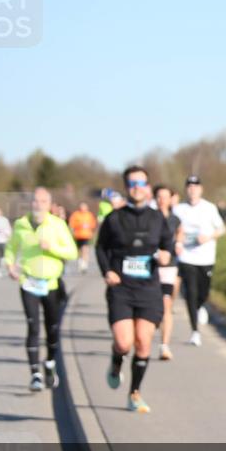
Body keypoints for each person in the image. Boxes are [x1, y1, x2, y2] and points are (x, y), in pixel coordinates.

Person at [95, 166, 173, 413]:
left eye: (141, 183)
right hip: (122, 289)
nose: (137, 187)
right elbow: (100, 248)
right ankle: (116, 361)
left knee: (143, 342)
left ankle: (135, 393)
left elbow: (167, 247)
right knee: (124, 341)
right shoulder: (114, 218)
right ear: (127, 187)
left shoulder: (157, 218)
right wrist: (107, 271)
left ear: (147, 187)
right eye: (132, 183)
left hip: (149, 289)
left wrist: (164, 256)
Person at [5, 187, 78, 391]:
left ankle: (50, 363)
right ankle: (35, 373)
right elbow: (11, 247)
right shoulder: (21, 224)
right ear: (31, 203)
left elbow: (72, 252)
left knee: (52, 328)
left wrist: (52, 247)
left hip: (52, 284)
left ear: (50, 204)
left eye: (43, 201)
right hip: (28, 282)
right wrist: (10, 265)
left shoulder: (57, 224)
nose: (38, 205)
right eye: (36, 201)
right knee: (33, 327)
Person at [172, 175, 225, 346]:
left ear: (201, 189)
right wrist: (177, 243)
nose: (192, 189)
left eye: (195, 186)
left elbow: (221, 229)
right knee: (191, 293)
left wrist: (208, 237)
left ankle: (200, 305)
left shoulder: (209, 208)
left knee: (204, 292)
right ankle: (195, 331)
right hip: (187, 257)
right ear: (186, 189)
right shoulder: (178, 210)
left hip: (206, 257)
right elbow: (171, 231)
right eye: (189, 186)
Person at [154, 184, 184, 360]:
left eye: (165, 196)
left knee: (166, 304)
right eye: (158, 196)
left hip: (169, 266)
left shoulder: (174, 219)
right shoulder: (148, 217)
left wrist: (179, 243)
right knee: (153, 305)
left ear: (171, 198)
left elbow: (180, 231)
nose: (162, 200)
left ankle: (164, 346)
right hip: (150, 267)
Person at [69, 202, 98, 273]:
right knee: (79, 250)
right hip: (78, 235)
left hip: (86, 235)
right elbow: (72, 224)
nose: (83, 209)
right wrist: (79, 225)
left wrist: (91, 229)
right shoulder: (76, 214)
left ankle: (84, 264)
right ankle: (80, 261)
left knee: (85, 249)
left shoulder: (89, 215)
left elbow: (93, 224)